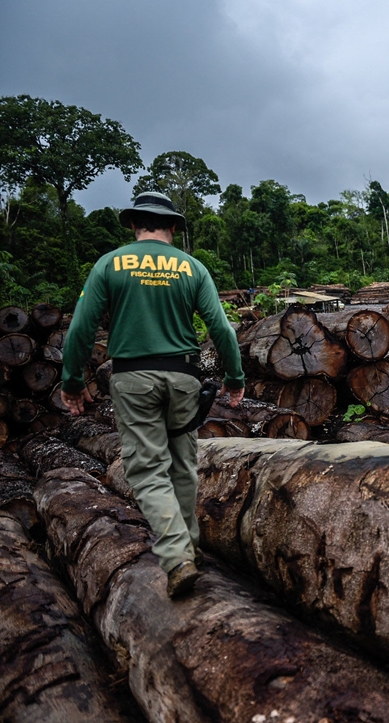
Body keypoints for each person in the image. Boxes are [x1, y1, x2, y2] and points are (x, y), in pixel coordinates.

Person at [60, 191, 245, 599]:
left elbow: (80, 330)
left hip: (133, 378)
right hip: (184, 378)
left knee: (146, 469)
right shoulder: (192, 267)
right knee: (182, 463)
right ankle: (189, 548)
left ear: (133, 224)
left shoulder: (111, 263)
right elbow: (222, 329)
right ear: (174, 227)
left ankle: (178, 558)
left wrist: (72, 382)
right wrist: (234, 376)